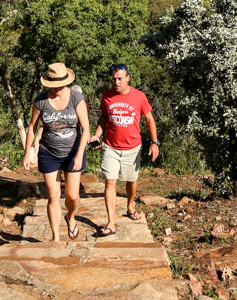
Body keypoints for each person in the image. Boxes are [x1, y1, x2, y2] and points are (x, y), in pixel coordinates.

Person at [22, 62, 90, 242]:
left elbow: (86, 129)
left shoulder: (76, 98)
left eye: (61, 83)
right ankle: (55, 238)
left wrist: (79, 154)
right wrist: (27, 152)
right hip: (49, 152)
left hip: (73, 152)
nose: (58, 87)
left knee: (72, 196)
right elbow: (32, 126)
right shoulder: (41, 101)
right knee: (53, 196)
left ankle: (71, 216)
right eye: (55, 84)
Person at [91, 63, 159, 235]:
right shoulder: (107, 96)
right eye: (114, 79)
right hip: (110, 147)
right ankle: (111, 223)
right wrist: (96, 135)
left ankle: (130, 205)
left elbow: (149, 119)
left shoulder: (139, 96)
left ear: (128, 78)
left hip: (133, 148)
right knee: (110, 182)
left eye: (120, 78)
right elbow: (103, 119)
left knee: (131, 180)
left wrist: (154, 142)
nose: (117, 82)